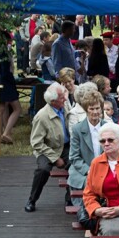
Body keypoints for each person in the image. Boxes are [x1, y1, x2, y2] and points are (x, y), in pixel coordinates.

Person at [25, 83, 71, 212]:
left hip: (65, 146)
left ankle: (70, 198)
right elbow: (36, 143)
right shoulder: (42, 116)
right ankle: (32, 199)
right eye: (62, 98)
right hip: (47, 148)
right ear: (53, 101)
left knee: (75, 165)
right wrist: (55, 158)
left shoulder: (64, 107)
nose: (65, 99)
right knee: (43, 170)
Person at [68, 90, 105, 208]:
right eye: (91, 109)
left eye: (98, 108)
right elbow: (74, 157)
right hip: (83, 172)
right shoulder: (77, 129)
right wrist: (89, 171)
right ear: (86, 109)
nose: (95, 112)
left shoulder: (108, 128)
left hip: (105, 171)